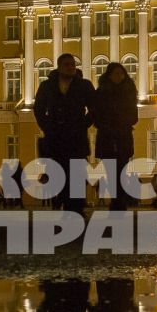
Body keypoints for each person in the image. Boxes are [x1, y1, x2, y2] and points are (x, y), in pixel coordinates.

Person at [32, 53, 95, 212]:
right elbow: (39, 109)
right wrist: (48, 126)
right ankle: (61, 202)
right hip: (56, 137)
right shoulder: (47, 86)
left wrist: (82, 124)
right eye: (67, 64)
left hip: (76, 136)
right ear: (59, 67)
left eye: (73, 64)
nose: (71, 67)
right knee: (59, 172)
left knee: (77, 175)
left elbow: (95, 109)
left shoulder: (84, 85)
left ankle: (76, 209)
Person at [90, 61, 139, 211]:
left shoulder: (129, 92)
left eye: (121, 73)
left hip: (122, 135)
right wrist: (106, 125)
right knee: (111, 170)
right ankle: (115, 200)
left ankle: (120, 201)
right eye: (115, 73)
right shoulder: (101, 92)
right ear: (109, 75)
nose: (119, 76)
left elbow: (134, 115)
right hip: (107, 135)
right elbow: (95, 113)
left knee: (122, 170)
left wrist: (122, 123)